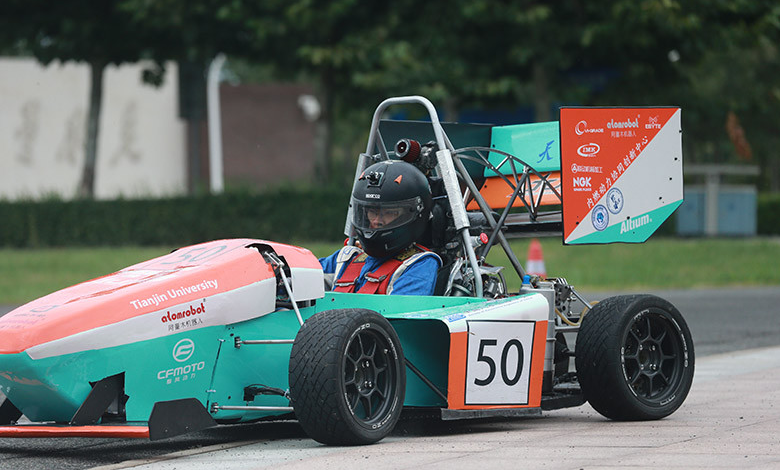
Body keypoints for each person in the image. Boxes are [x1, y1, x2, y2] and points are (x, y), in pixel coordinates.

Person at [320, 160, 441, 295]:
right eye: (372, 211)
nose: (377, 221)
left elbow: (400, 314)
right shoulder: (346, 258)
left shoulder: (419, 264)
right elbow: (298, 277)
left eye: (389, 213)